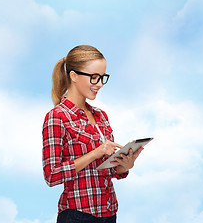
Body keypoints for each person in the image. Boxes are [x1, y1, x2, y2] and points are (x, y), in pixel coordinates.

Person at [42, 45, 143, 223]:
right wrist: (96, 152)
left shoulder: (101, 115)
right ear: (74, 76)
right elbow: (52, 175)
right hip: (77, 214)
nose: (100, 84)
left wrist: (125, 165)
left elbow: (109, 171)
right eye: (94, 78)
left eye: (102, 78)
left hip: (109, 212)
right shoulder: (57, 117)